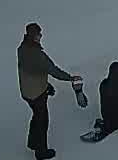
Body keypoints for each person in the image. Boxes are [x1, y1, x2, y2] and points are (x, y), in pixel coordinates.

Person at [17, 23, 81, 159]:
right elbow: (53, 70)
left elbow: (34, 71)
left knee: (36, 115)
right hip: (36, 94)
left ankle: (33, 143)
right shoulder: (37, 55)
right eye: (39, 34)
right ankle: (41, 152)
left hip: (27, 91)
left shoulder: (22, 49)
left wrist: (46, 86)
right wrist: (70, 78)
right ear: (33, 36)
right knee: (42, 121)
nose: (41, 36)